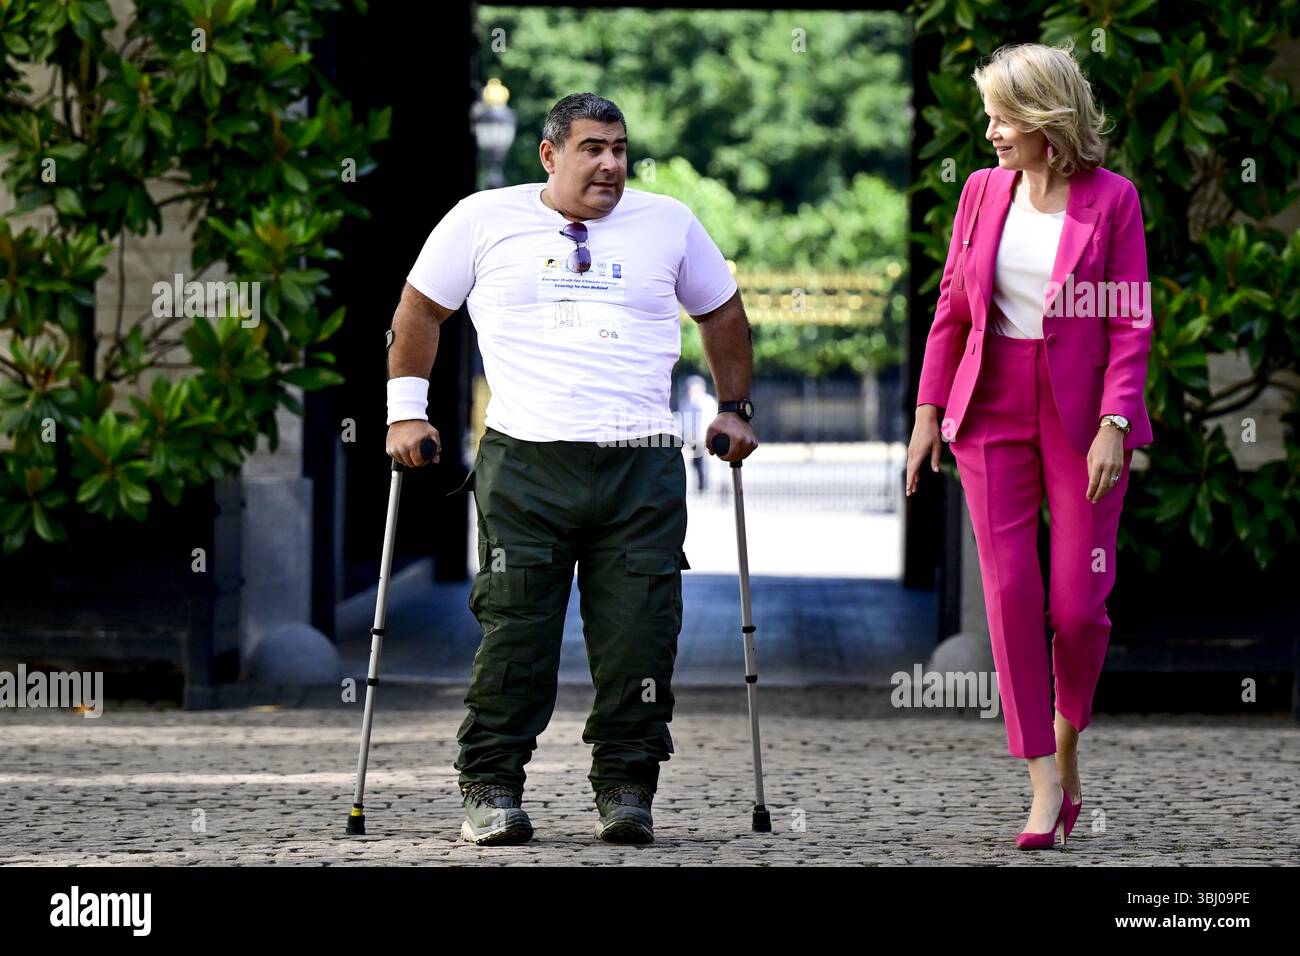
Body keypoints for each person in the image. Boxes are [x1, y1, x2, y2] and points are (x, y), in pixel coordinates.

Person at [385, 93, 758, 845]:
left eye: (619, 148)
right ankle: (490, 785)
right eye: (592, 148)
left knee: (640, 636)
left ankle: (627, 784)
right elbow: (420, 311)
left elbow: (721, 313)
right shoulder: (481, 219)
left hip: (642, 466)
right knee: (516, 631)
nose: (611, 163)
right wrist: (404, 411)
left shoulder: (669, 223)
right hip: (527, 462)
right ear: (550, 155)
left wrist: (734, 408)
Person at [905, 42, 1153, 850]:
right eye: (988, 117)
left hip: (1081, 418)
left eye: (1003, 118)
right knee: (1011, 596)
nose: (990, 134)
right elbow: (952, 308)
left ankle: (1068, 741)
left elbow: (1129, 320)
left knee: (1077, 609)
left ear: (1048, 120)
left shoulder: (1112, 201)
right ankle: (1043, 781)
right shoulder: (980, 193)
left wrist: (1116, 423)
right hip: (989, 406)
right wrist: (925, 415)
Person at [681, 374, 719, 492]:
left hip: (703, 437)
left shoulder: (708, 402)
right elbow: (685, 420)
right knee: (696, 461)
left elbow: (712, 418)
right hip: (693, 438)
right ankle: (701, 482)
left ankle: (703, 483)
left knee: (701, 460)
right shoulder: (686, 403)